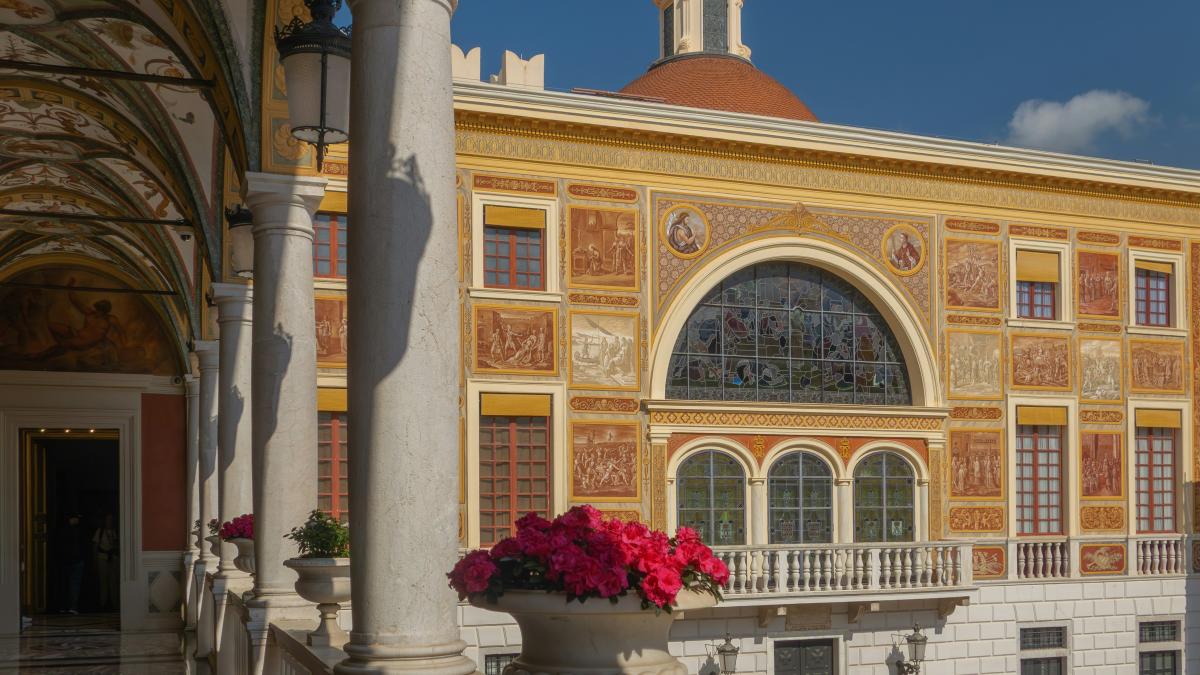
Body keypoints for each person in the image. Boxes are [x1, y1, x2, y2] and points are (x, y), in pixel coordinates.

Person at [54, 514, 89, 614]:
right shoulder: (74, 530)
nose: (77, 520)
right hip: (70, 561)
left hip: (72, 560)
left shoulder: (65, 530)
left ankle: (67, 606)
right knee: (71, 584)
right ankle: (69, 606)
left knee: (70, 584)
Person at [93, 514, 119, 611]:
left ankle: (115, 605)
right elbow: (95, 547)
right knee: (103, 583)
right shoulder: (99, 532)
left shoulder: (115, 532)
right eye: (108, 519)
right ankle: (102, 605)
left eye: (111, 520)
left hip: (113, 559)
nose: (109, 521)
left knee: (113, 583)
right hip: (102, 558)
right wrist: (94, 561)